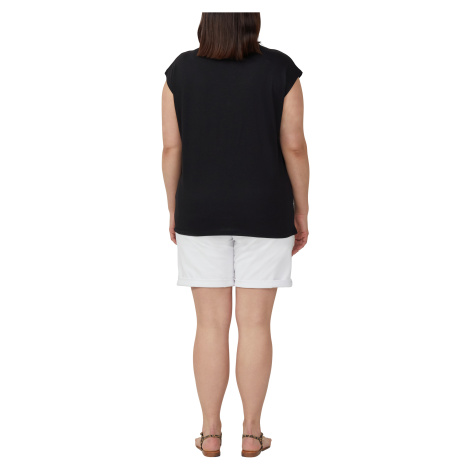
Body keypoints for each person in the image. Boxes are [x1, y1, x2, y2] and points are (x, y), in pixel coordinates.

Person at [162, 12, 309, 458]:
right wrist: (302, 209)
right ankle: (251, 433)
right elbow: (294, 145)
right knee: (256, 325)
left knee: (209, 325)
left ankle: (210, 433)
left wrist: (174, 208)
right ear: (251, 20)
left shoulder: (179, 72)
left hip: (199, 212)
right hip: (265, 212)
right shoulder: (281, 70)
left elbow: (171, 147)